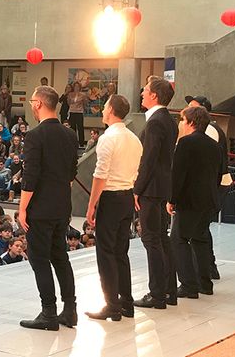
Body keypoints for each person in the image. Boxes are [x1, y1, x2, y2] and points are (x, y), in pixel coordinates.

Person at [19, 85, 78, 331]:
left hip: (41, 208)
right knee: (61, 257)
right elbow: (72, 173)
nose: (32, 106)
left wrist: (22, 209)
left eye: (32, 102)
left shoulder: (35, 136)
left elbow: (30, 176)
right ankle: (70, 310)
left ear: (39, 104)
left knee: (40, 259)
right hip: (62, 206)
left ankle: (49, 313)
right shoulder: (70, 135)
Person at [83, 95, 143, 321]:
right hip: (127, 195)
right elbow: (136, 171)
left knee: (106, 253)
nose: (102, 110)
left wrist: (92, 205)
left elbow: (100, 175)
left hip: (111, 197)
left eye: (105, 106)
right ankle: (126, 303)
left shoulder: (108, 138)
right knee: (120, 252)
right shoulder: (134, 138)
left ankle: (112, 305)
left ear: (111, 110)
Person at [133, 77, 178, 310]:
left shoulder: (156, 122)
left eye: (146, 90)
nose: (142, 93)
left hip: (151, 188)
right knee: (161, 237)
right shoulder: (168, 120)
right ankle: (169, 291)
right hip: (161, 186)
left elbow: (149, 159)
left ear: (154, 96)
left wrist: (137, 189)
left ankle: (157, 294)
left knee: (151, 238)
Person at [168, 106, 222, 298]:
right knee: (200, 239)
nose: (181, 124)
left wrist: (172, 199)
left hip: (190, 200)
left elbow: (178, 174)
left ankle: (188, 285)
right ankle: (204, 284)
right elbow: (218, 174)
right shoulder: (214, 145)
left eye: (183, 120)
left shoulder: (185, 143)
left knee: (178, 239)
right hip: (209, 199)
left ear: (191, 122)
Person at [183, 95, 230, 280]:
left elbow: (204, 162)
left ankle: (207, 268)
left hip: (213, 184)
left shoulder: (209, 130)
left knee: (200, 228)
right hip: (213, 183)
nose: (188, 109)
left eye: (192, 106)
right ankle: (208, 268)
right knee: (201, 228)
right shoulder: (210, 129)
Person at [67, 81, 88, 147]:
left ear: (80, 87)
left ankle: (81, 143)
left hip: (79, 112)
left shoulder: (83, 95)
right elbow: (68, 103)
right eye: (75, 86)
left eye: (78, 86)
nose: (76, 88)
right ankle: (73, 143)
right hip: (72, 112)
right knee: (72, 128)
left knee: (80, 128)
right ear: (73, 87)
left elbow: (85, 103)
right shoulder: (70, 94)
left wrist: (83, 108)